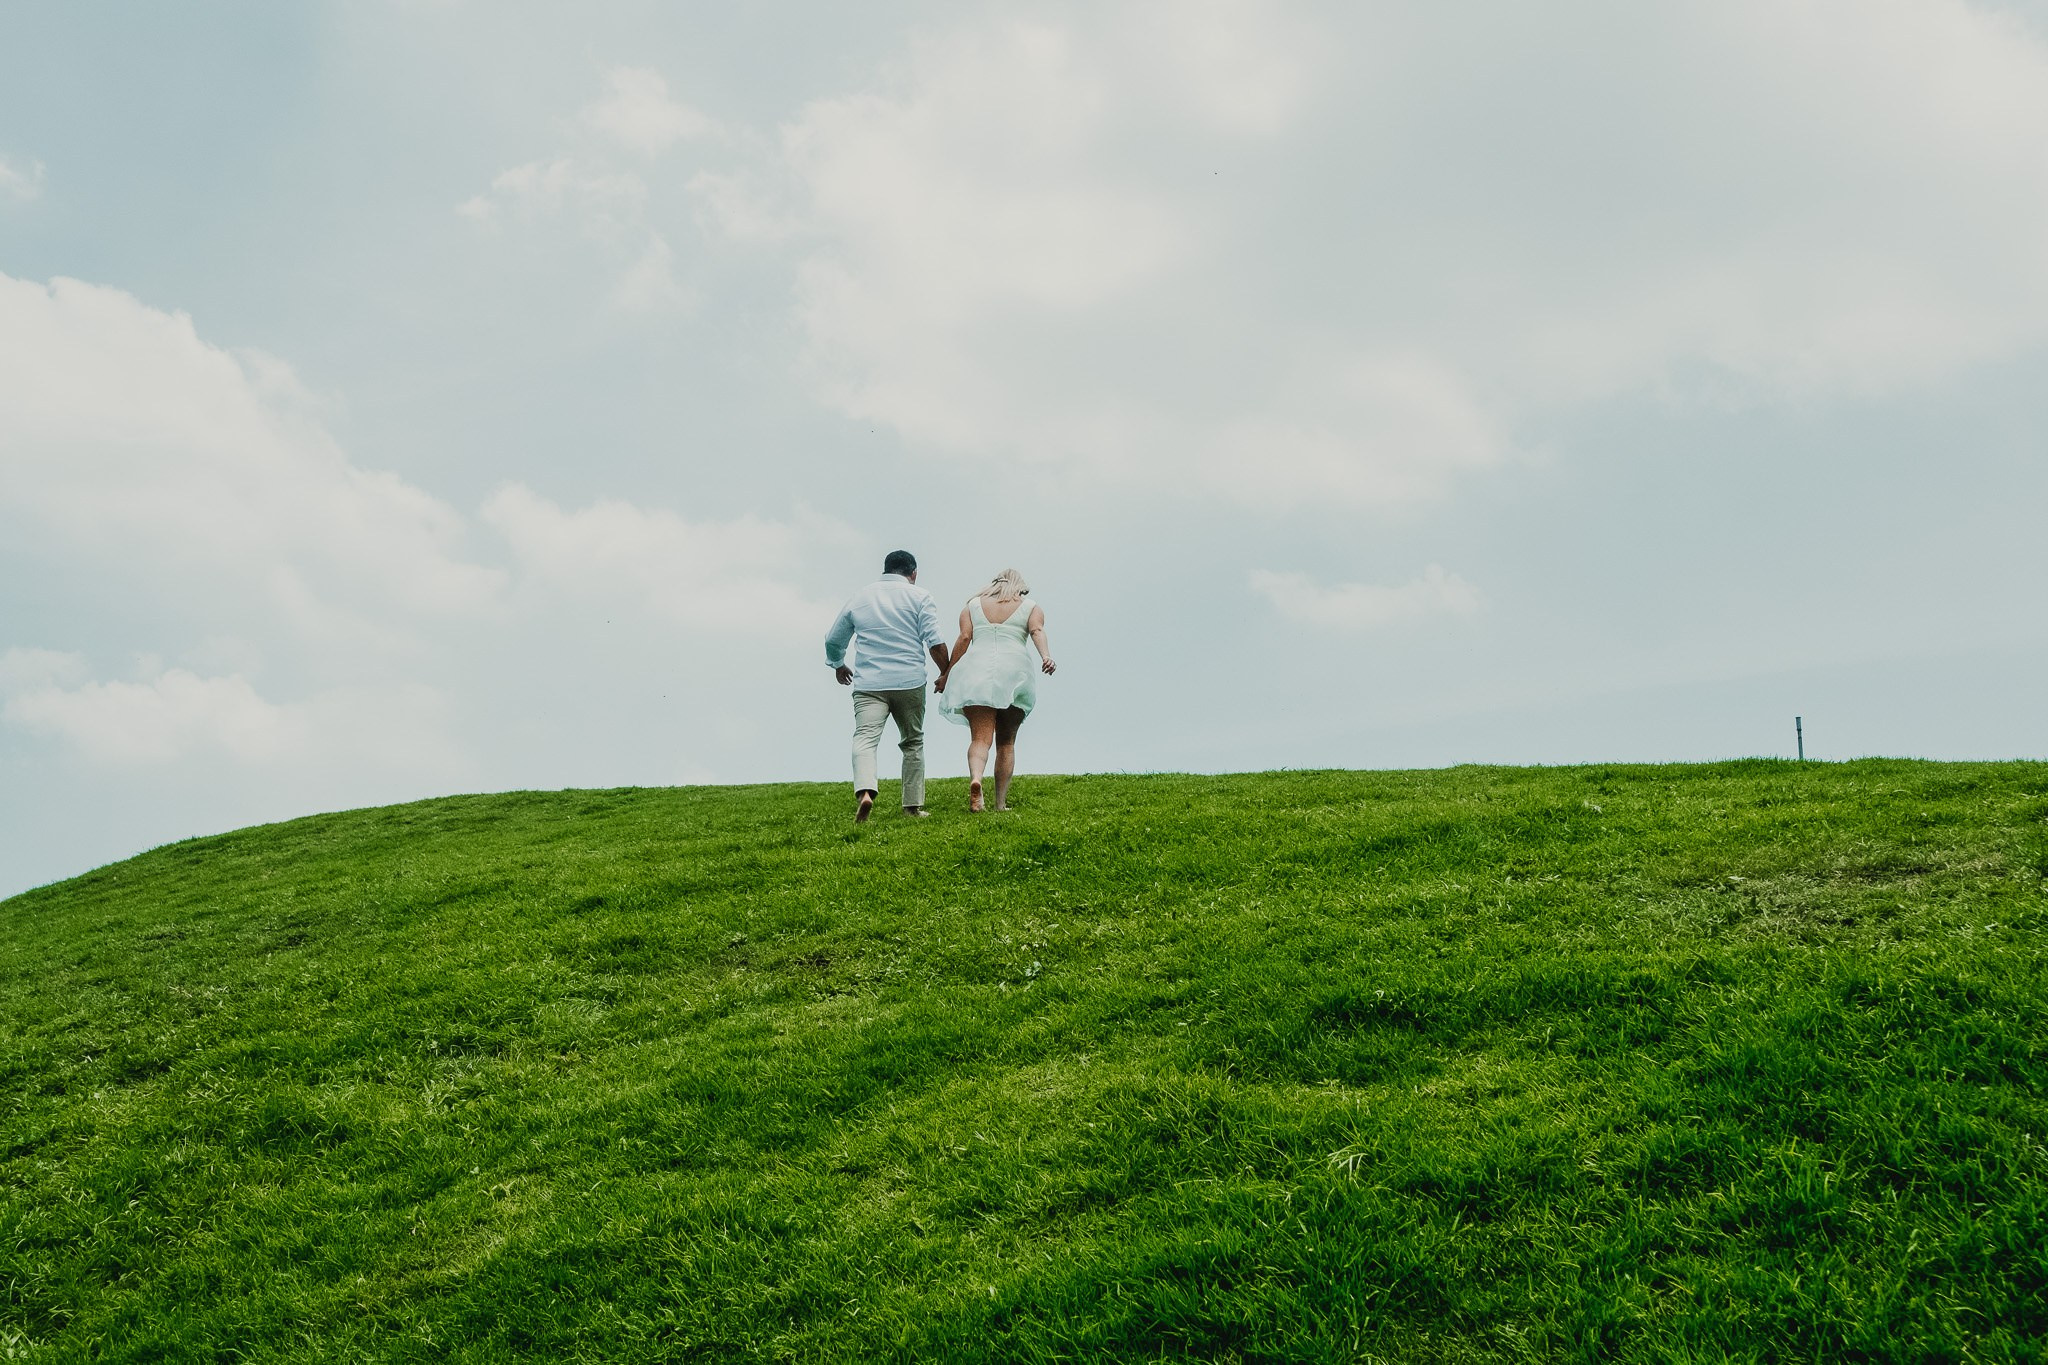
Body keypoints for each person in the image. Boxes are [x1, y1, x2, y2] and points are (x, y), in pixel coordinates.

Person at [824, 550, 951, 822]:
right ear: (913, 573)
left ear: (885, 569)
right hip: (909, 681)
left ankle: (865, 793)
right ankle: (912, 807)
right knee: (913, 741)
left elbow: (834, 638)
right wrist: (945, 672)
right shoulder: (920, 597)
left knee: (865, 739)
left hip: (869, 683)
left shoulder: (861, 597)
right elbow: (935, 642)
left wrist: (838, 664)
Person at [937, 568, 1056, 812]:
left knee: (980, 739)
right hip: (1014, 673)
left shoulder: (972, 605)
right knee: (1006, 743)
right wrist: (1046, 656)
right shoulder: (1031, 606)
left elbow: (964, 638)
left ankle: (976, 779)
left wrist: (947, 674)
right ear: (1019, 587)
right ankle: (1000, 804)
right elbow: (1037, 631)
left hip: (976, 672)